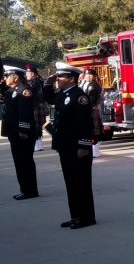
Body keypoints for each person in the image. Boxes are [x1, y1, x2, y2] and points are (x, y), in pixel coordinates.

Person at [42, 63, 95, 228]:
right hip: (65, 145)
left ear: (71, 78)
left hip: (77, 147)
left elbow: (85, 124)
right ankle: (76, 215)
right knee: (71, 182)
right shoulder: (63, 94)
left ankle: (86, 217)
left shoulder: (79, 96)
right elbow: (49, 97)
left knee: (81, 182)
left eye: (61, 76)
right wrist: (47, 83)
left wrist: (84, 146)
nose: (58, 79)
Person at [2, 65, 39, 200]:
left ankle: (30, 190)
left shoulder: (24, 91)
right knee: (19, 161)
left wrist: (23, 129)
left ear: (15, 77)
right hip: (14, 132)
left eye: (7, 76)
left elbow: (25, 113)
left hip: (22, 133)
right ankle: (24, 189)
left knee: (25, 161)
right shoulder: (12, 90)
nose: (5, 78)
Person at [80, 69, 104, 158]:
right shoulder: (90, 84)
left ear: (94, 76)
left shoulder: (92, 86)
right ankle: (95, 150)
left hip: (91, 109)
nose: (87, 77)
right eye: (86, 75)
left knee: (94, 131)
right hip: (93, 109)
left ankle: (95, 151)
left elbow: (90, 100)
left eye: (89, 75)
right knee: (94, 131)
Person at [24, 65, 46, 152]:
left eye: (27, 73)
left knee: (36, 125)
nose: (26, 74)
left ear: (33, 74)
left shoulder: (34, 83)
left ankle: (37, 144)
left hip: (35, 106)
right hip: (36, 106)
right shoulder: (35, 81)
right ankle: (38, 144)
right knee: (36, 125)